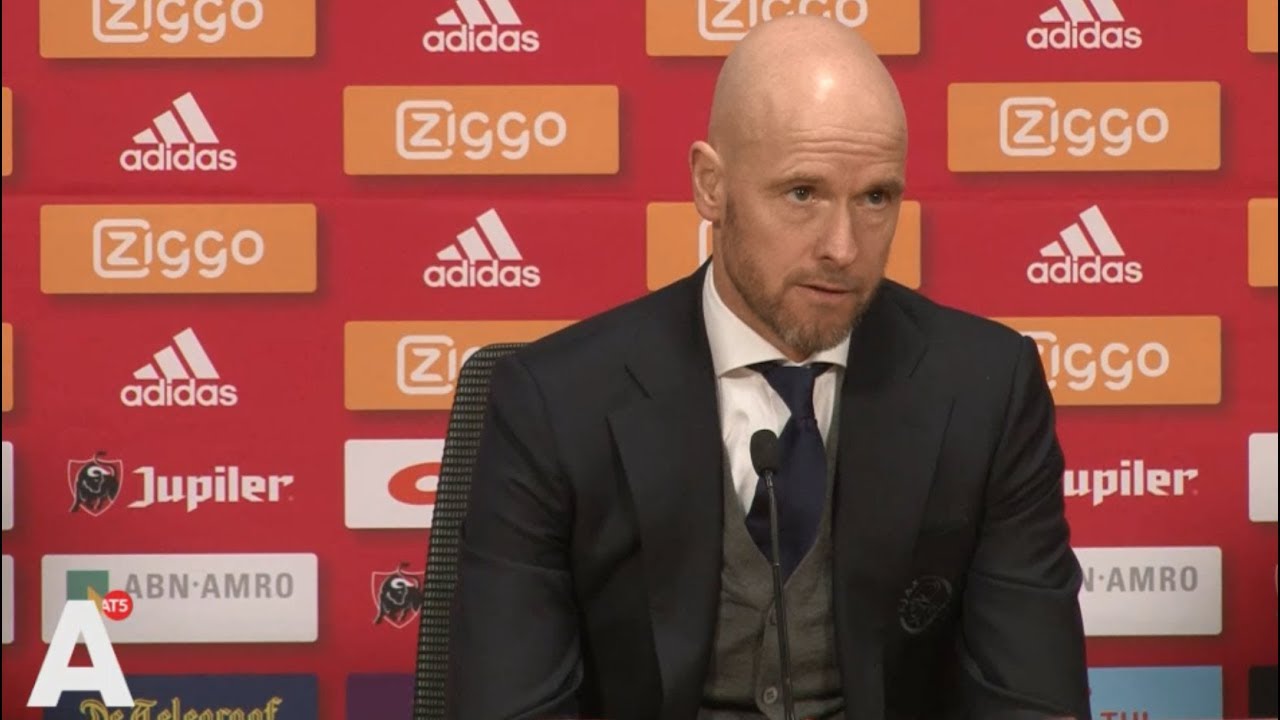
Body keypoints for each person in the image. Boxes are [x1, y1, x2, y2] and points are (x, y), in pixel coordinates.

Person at [446, 14, 1091, 720]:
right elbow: (510, 704)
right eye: (802, 193)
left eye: (876, 198)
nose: (843, 248)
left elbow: (1032, 699)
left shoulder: (986, 390)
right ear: (710, 186)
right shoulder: (554, 402)